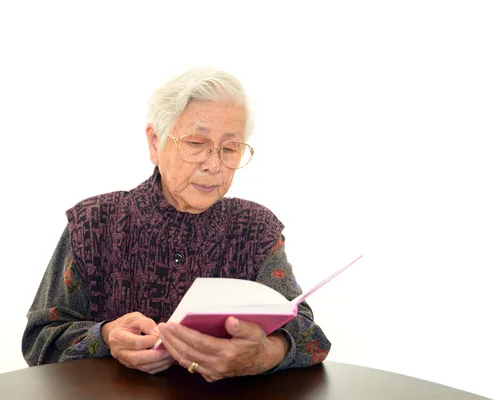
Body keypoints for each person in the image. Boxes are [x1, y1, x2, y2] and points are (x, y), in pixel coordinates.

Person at [22, 67, 331, 382]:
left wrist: (267, 353)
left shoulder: (255, 230)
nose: (213, 165)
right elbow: (39, 340)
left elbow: (310, 335)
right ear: (156, 142)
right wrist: (105, 336)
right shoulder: (95, 223)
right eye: (196, 143)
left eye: (229, 149)